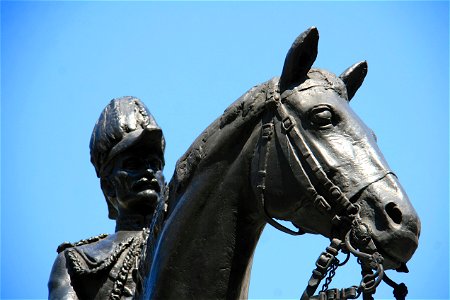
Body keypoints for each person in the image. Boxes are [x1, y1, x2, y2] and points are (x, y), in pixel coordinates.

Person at [48, 97, 166, 300]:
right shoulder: (76, 262)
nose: (148, 171)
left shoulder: (189, 238)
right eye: (132, 164)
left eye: (155, 164)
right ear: (108, 186)